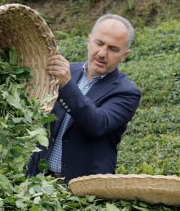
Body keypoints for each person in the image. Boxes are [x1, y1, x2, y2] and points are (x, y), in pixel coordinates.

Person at [26, 14, 141, 182]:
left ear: (125, 54)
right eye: (99, 43)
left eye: (113, 49)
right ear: (89, 40)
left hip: (85, 190)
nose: (102, 53)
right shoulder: (67, 71)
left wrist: (67, 84)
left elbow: (97, 124)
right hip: (39, 182)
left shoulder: (127, 92)